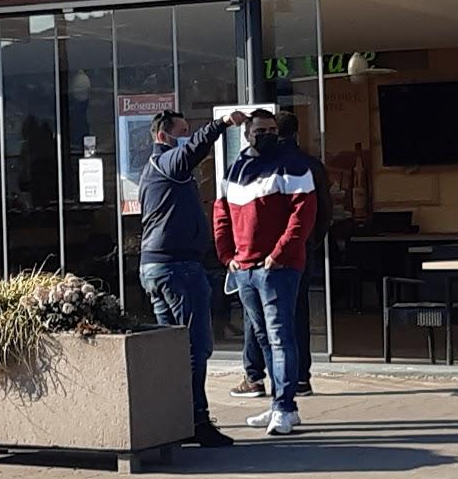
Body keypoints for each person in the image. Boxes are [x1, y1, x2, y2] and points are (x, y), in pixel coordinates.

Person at [138, 107, 246, 447]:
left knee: (172, 350)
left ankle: (175, 420)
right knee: (194, 348)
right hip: (177, 270)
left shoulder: (153, 172)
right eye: (181, 131)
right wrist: (220, 125)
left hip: (159, 268)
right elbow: (191, 151)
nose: (186, 137)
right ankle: (197, 420)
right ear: (162, 135)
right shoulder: (166, 163)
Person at [214, 110, 316, 436]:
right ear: (247, 134)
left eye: (272, 129)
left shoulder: (293, 164)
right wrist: (227, 255)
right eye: (260, 130)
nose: (267, 135)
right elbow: (221, 215)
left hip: (278, 268)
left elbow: (304, 215)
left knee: (280, 336)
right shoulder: (235, 170)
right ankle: (279, 405)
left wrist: (278, 254)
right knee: (264, 339)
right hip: (244, 268)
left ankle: (284, 407)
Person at [231, 111, 333, 398]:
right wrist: (309, 243)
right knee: (293, 317)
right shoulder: (310, 165)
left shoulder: (274, 166)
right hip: (295, 252)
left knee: (263, 323)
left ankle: (258, 378)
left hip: (270, 256)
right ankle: (298, 380)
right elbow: (323, 213)